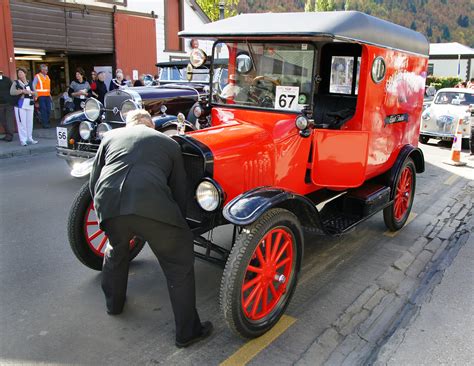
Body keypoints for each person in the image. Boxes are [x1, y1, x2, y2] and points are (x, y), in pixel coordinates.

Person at [89, 109, 212, 348]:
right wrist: (180, 224)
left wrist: (104, 211)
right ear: (151, 125)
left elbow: (94, 181)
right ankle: (187, 332)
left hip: (109, 204)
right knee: (178, 265)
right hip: (153, 209)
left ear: (129, 125)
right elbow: (179, 188)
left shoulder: (110, 137)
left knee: (115, 249)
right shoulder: (168, 143)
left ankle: (113, 305)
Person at [10, 68, 37, 146]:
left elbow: (36, 93)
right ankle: (23, 140)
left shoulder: (30, 83)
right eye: (18, 73)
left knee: (29, 122)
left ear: (25, 73)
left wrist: (32, 92)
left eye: (21, 72)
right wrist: (22, 91)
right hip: (20, 104)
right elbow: (12, 92)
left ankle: (30, 138)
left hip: (29, 103)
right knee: (22, 122)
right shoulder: (16, 83)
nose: (20, 74)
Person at [32, 64, 52, 128]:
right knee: (43, 110)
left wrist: (50, 95)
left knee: (49, 109)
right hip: (41, 96)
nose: (47, 71)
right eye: (45, 69)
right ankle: (45, 124)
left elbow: (48, 88)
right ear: (42, 70)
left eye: (47, 69)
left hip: (47, 96)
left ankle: (47, 121)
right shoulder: (37, 76)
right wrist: (35, 94)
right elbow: (33, 85)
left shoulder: (47, 77)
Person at [0, 69, 15, 142]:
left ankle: (10, 135)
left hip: (8, 103)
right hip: (0, 104)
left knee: (9, 120)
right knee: (3, 120)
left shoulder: (7, 80)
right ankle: (7, 135)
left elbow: (12, 90)